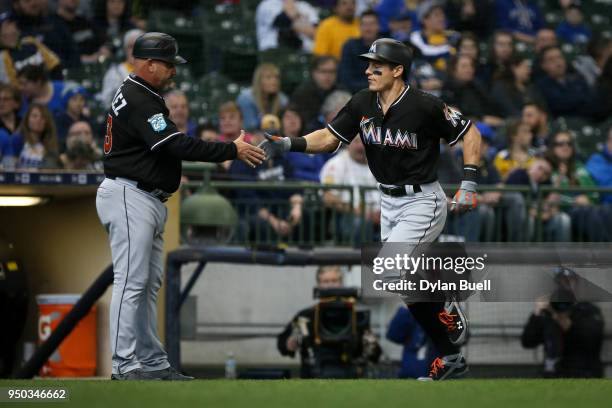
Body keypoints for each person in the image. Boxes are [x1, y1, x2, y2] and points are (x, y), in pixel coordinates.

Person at [260, 38, 482, 381]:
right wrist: (289, 143)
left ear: (398, 70)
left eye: (377, 66)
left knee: (389, 270)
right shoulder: (363, 101)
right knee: (405, 287)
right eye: (368, 64)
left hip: (422, 199)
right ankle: (451, 353)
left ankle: (446, 310)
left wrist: (468, 183)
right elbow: (330, 138)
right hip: (389, 201)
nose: (368, 70)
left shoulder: (424, 105)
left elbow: (470, 133)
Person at [96, 32, 265, 381]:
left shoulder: (142, 93)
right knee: (131, 282)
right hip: (130, 194)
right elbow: (173, 144)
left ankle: (151, 362)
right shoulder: (139, 96)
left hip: (145, 197)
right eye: (168, 64)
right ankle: (124, 365)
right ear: (148, 64)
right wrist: (229, 150)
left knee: (146, 283)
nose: (173, 70)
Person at [276, 265, 381, 378]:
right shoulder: (306, 316)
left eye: (334, 281)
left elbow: (375, 355)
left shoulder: (355, 314)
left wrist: (371, 345)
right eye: (325, 281)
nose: (330, 285)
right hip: (313, 375)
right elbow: (283, 345)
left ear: (341, 283)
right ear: (319, 285)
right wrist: (290, 343)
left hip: (348, 374)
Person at [521, 267, 604, 378]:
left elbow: (590, 341)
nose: (564, 286)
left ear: (576, 284)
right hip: (553, 375)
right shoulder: (548, 312)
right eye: (560, 282)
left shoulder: (588, 310)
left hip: (583, 374)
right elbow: (528, 341)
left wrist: (560, 317)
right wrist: (536, 314)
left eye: (568, 281)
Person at [319, 135, 380, 243]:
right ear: (347, 144)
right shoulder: (336, 164)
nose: (360, 146)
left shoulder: (378, 163)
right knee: (362, 224)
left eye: (363, 142)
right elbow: (328, 197)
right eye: (356, 142)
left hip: (380, 216)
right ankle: (361, 259)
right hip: (348, 217)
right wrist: (358, 211)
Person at [0, 11, 63, 86]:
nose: (14, 25)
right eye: (8, 23)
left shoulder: (30, 41)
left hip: (51, 87)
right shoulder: (2, 57)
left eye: (14, 22)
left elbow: (54, 65)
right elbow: (13, 88)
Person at [442, 54, 504, 127]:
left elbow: (491, 106)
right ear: (453, 70)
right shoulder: (448, 90)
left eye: (471, 66)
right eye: (464, 66)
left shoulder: (477, 86)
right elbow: (457, 119)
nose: (469, 69)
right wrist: (481, 120)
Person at [535, 45, 593, 118]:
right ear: (543, 65)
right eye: (551, 59)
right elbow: (559, 104)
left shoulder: (577, 79)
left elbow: (591, 99)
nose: (558, 62)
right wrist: (581, 99)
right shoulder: (542, 85)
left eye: (560, 57)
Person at [386, 305, 437, 378]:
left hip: (435, 375)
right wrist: (406, 311)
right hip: (410, 375)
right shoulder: (410, 315)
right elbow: (393, 335)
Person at [409, 1, 459, 74]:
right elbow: (424, 52)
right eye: (437, 15)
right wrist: (448, 49)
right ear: (424, 20)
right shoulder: (416, 36)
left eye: (442, 14)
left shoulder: (453, 36)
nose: (442, 18)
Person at [98, 28, 144, 107]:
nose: (134, 50)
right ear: (125, 49)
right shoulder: (115, 72)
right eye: (130, 46)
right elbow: (106, 102)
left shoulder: (152, 70)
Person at [338, 9, 381, 93]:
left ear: (378, 26)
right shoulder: (350, 46)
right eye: (365, 24)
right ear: (360, 27)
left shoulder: (386, 47)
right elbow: (345, 78)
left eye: (372, 24)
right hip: (354, 93)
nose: (368, 28)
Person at [236, 63, 288, 131]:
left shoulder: (283, 100)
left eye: (276, 77)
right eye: (268, 77)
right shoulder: (246, 98)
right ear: (259, 81)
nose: (274, 81)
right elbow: (249, 126)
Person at [290, 56, 340, 126]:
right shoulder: (302, 94)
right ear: (314, 73)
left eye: (332, 72)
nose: (328, 76)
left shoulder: (340, 91)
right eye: (323, 71)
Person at [490, 54, 544, 118]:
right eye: (525, 67)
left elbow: (543, 108)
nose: (529, 70)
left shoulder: (531, 87)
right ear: (514, 68)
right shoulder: (501, 88)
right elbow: (510, 111)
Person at [14, 103, 60, 169]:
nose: (38, 119)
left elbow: (50, 170)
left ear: (47, 122)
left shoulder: (51, 144)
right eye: (34, 116)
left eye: (43, 117)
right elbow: (10, 167)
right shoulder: (17, 139)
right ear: (27, 119)